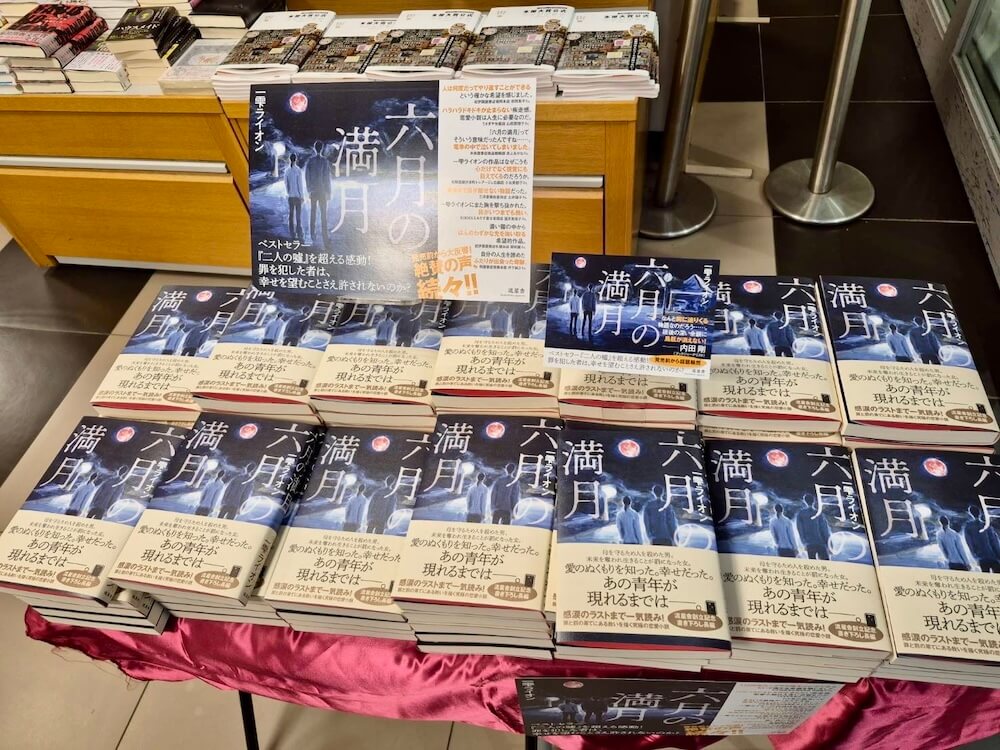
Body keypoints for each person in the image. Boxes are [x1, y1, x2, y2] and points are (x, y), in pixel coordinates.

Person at [305, 141, 332, 245]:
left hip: (313, 190)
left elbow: (307, 176)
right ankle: (325, 236)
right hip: (322, 191)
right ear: (322, 148)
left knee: (313, 213)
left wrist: (309, 189)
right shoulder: (324, 161)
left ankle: (312, 234)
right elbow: (327, 178)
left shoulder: (310, 161)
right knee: (323, 214)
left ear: (314, 148)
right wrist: (328, 192)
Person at [964, 506, 1000, 573]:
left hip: (981, 557)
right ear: (980, 513)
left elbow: (969, 543)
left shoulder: (968, 527)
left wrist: (975, 556)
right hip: (992, 556)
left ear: (970, 514)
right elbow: (994, 541)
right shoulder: (986, 525)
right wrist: (998, 554)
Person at [795, 495, 831, 560]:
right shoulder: (818, 513)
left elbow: (800, 530)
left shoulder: (800, 514)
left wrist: (804, 543)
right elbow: (824, 529)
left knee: (813, 562)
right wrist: (828, 543)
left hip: (809, 543)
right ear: (814, 501)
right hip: (821, 542)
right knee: (826, 562)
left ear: (805, 501)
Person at [284, 152, 306, 240]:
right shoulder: (298, 170)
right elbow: (300, 184)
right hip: (297, 196)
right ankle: (299, 231)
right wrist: (302, 196)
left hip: (291, 196)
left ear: (290, 159)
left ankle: (292, 233)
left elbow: (286, 183)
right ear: (295, 159)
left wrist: (288, 192)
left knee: (291, 215)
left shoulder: (287, 171)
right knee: (298, 215)